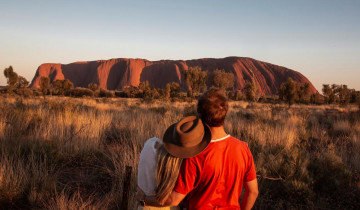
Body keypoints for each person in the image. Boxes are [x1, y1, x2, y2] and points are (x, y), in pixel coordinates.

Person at [139, 88, 259, 209]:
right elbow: (253, 192)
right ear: (225, 113)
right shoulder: (243, 148)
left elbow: (174, 199)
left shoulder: (195, 154)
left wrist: (144, 199)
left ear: (199, 116)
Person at [137, 116, 212, 209]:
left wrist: (143, 200)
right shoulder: (183, 165)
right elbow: (173, 200)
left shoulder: (150, 143)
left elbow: (140, 190)